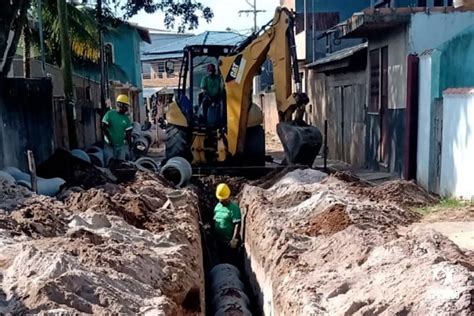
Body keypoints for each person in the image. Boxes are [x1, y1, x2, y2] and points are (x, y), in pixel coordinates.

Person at [102, 94, 133, 166]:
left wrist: (130, 145)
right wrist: (109, 139)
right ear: (120, 105)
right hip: (109, 146)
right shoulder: (110, 114)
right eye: (125, 106)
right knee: (109, 164)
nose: (126, 108)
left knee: (121, 165)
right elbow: (103, 126)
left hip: (120, 146)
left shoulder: (126, 118)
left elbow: (128, 133)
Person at [213, 183, 241, 263]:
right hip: (218, 241)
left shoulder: (234, 208)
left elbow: (237, 224)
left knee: (229, 261)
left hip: (228, 243)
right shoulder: (217, 206)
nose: (222, 202)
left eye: (224, 200)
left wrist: (234, 239)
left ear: (228, 197)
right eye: (220, 200)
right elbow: (215, 220)